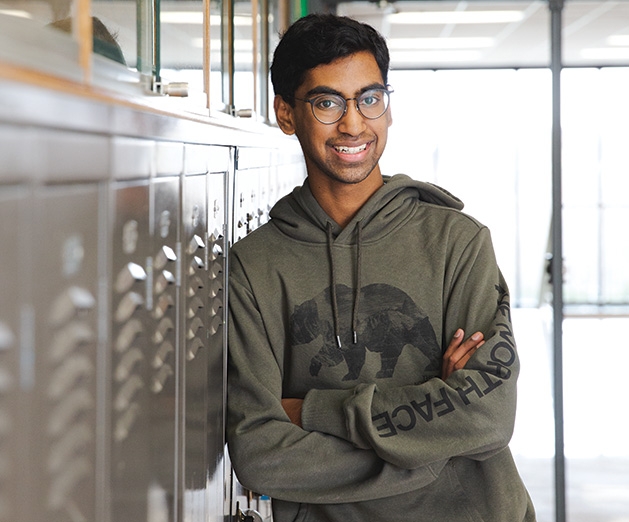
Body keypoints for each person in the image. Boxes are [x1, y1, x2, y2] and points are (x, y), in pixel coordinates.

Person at [226, 13, 536, 522]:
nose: (353, 124)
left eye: (370, 99)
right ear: (286, 114)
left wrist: (311, 411)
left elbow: (488, 416)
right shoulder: (253, 267)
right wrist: (434, 441)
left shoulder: (457, 242)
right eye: (327, 103)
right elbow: (262, 455)